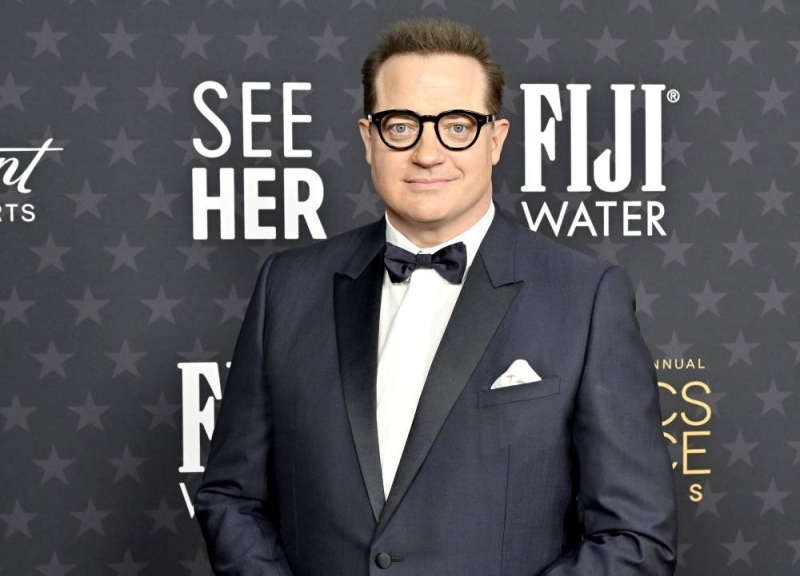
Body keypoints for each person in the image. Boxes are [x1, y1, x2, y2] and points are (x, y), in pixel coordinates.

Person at [194, 18, 677, 576]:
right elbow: (231, 499)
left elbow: (633, 537)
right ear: (369, 138)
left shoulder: (586, 297)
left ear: (496, 139)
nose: (428, 152)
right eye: (401, 126)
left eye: (457, 126)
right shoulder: (287, 287)